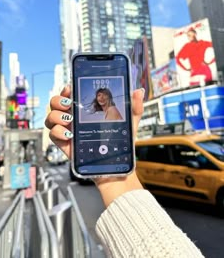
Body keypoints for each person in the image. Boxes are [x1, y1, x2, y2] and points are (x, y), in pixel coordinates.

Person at [45, 85, 204, 258]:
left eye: (103, 95)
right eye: (98, 95)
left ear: (109, 96)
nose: (100, 98)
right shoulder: (104, 113)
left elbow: (109, 137)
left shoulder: (112, 112)